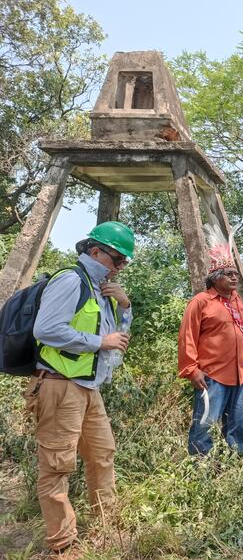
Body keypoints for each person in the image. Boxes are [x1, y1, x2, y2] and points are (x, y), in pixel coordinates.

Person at [26, 221, 134, 553]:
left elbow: (118, 338)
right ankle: (63, 543)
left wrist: (125, 306)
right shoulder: (71, 280)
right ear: (94, 251)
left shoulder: (101, 288)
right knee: (58, 466)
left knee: (102, 455)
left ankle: (106, 528)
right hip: (60, 387)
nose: (119, 268)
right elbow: (46, 330)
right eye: (116, 260)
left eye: (123, 263)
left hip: (89, 388)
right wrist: (98, 342)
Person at [178, 234, 243, 456]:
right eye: (229, 274)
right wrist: (192, 370)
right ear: (216, 277)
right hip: (211, 376)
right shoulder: (200, 302)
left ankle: (234, 466)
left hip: (238, 376)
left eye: (235, 274)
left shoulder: (237, 301)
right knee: (205, 425)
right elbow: (187, 337)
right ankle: (201, 468)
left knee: (238, 424)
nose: (234, 278)